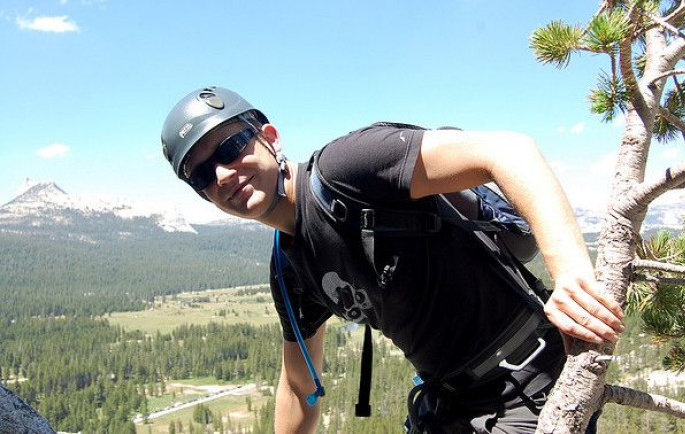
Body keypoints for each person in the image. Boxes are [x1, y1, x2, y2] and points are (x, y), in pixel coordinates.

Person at [161, 86, 624, 433]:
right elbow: (299, 385)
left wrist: (572, 276)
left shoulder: (349, 168)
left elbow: (508, 150)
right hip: (451, 404)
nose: (223, 173)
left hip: (531, 382)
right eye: (201, 174)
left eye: (230, 147)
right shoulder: (289, 268)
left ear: (269, 137)